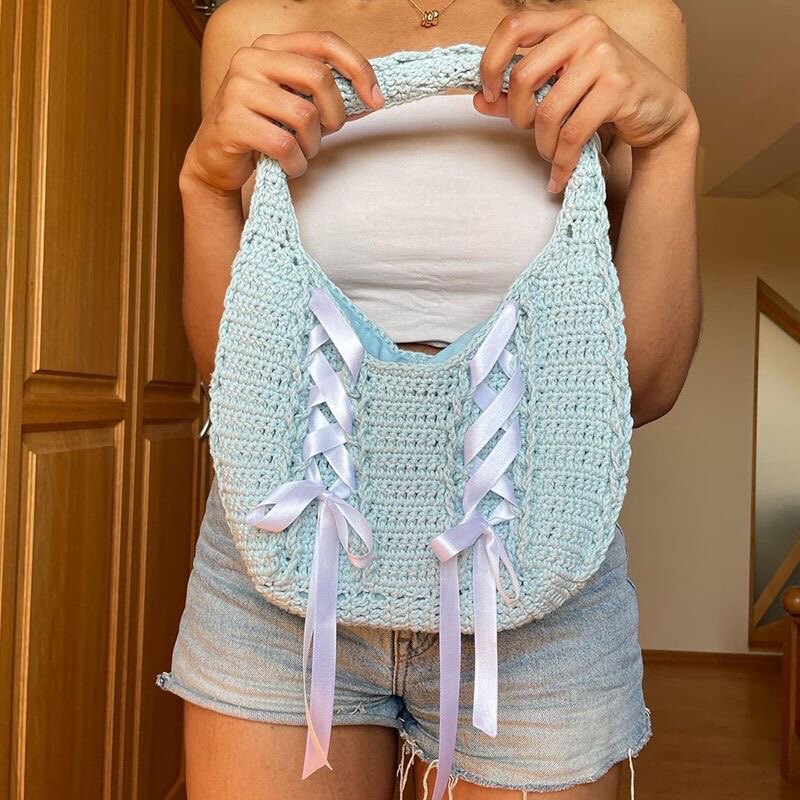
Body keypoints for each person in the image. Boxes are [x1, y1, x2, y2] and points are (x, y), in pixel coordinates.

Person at [165, 0, 701, 797]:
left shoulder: (626, 22)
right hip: (278, 585)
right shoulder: (254, 26)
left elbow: (644, 388)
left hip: (539, 585)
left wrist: (670, 142)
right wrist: (205, 187)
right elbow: (241, 376)